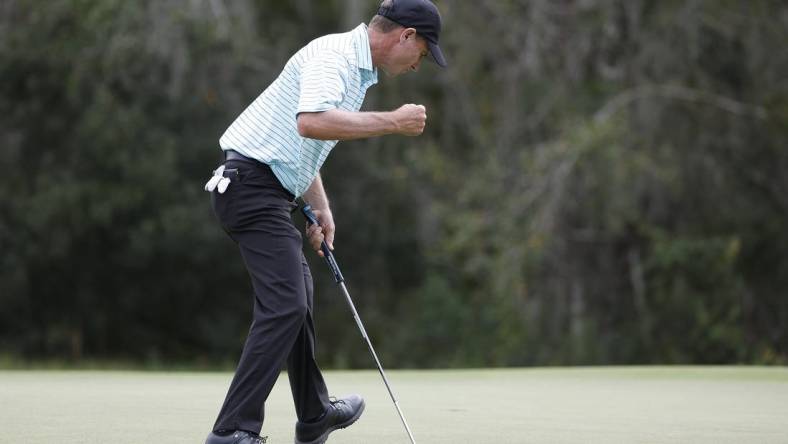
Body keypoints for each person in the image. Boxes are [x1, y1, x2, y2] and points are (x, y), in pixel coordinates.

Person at [204, 1, 446, 443]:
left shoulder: (354, 68)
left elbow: (302, 144)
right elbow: (311, 123)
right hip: (249, 188)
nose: (418, 65)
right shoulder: (335, 58)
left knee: (299, 296)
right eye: (423, 53)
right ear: (405, 36)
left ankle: (314, 414)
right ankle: (231, 431)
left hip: (265, 190)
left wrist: (321, 207)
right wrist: (392, 122)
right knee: (287, 304)